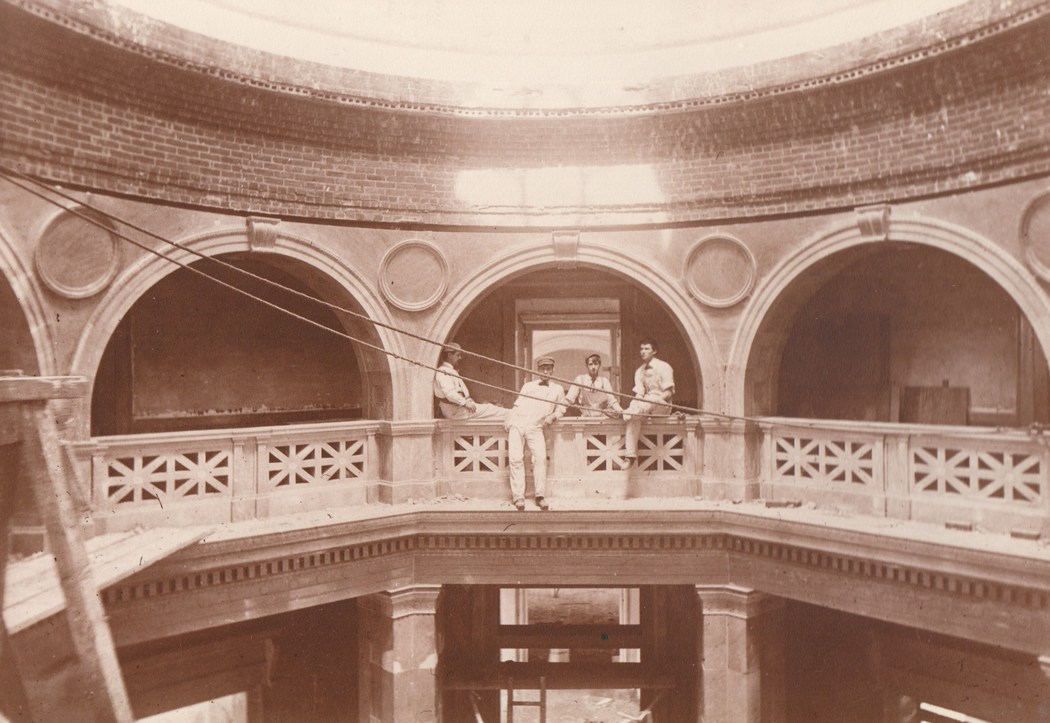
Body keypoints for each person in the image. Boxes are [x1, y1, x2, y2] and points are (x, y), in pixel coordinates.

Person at [505, 356, 566, 511]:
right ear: (538, 370)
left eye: (548, 368)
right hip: (518, 423)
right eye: (542, 368)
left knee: (540, 458)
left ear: (553, 370)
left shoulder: (557, 389)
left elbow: (561, 409)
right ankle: (518, 497)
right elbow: (517, 405)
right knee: (515, 459)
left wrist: (552, 417)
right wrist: (511, 421)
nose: (545, 371)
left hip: (535, 426)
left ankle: (540, 496)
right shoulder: (528, 386)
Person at [620, 338, 675, 470]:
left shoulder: (664, 367)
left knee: (652, 399)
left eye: (646, 349)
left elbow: (668, 393)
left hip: (662, 405)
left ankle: (629, 413)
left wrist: (650, 402)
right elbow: (639, 394)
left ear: (654, 351)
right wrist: (636, 405)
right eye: (641, 349)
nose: (643, 352)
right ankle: (630, 456)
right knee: (633, 419)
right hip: (645, 406)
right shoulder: (639, 371)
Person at [433, 343, 508, 420]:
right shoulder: (443, 371)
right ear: (449, 355)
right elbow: (449, 393)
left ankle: (512, 413)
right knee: (491, 409)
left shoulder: (450, 370)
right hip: (456, 411)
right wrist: (465, 402)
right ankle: (514, 414)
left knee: (491, 407)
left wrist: (468, 401)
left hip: (459, 409)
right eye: (458, 355)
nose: (460, 358)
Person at [565, 353, 619, 417]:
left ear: (599, 365)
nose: (593, 367)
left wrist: (620, 411)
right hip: (585, 419)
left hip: (601, 419)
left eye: (596, 364)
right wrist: (558, 412)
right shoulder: (580, 379)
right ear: (587, 366)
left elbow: (612, 401)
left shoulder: (604, 381)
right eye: (590, 364)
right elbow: (569, 399)